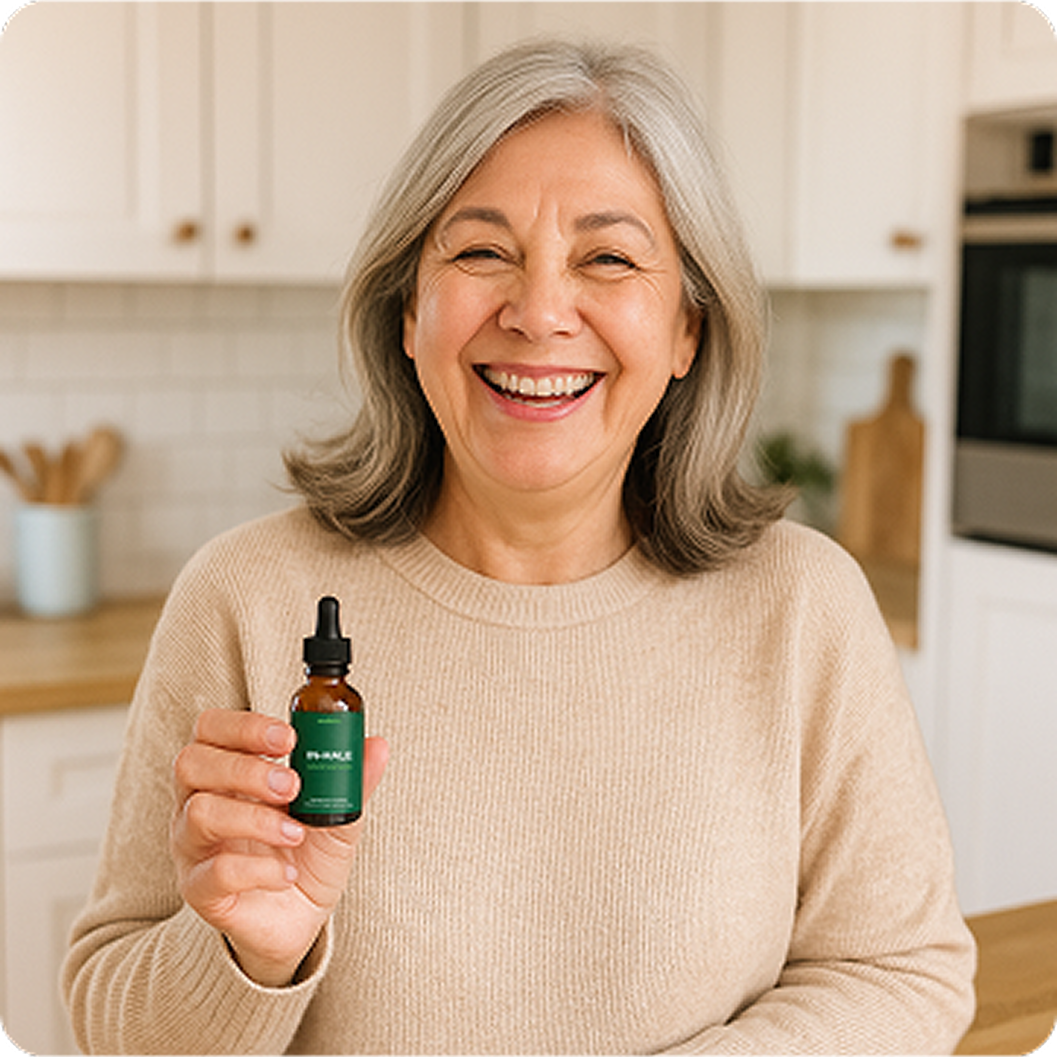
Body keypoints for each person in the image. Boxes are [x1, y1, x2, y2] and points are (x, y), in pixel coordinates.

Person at [62, 38, 975, 1057]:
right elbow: (112, 1018)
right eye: (482, 251)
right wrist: (247, 961)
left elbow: (901, 973)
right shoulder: (247, 597)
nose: (538, 313)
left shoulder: (805, 608)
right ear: (409, 309)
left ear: (686, 331)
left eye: (608, 258)